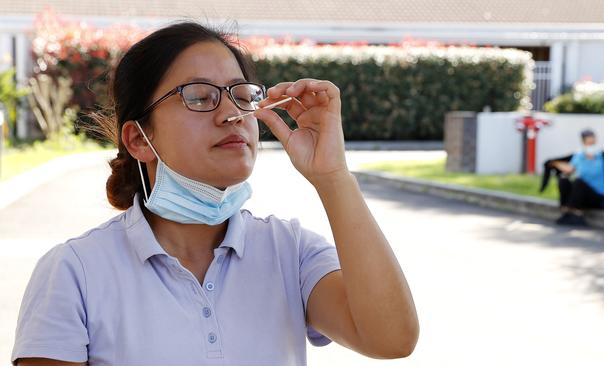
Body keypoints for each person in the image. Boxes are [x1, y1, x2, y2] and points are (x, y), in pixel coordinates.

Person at [11, 22, 419, 366]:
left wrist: (333, 177)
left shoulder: (291, 252)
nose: (232, 114)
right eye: (200, 97)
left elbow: (391, 340)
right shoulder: (74, 273)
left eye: (242, 96)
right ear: (138, 139)